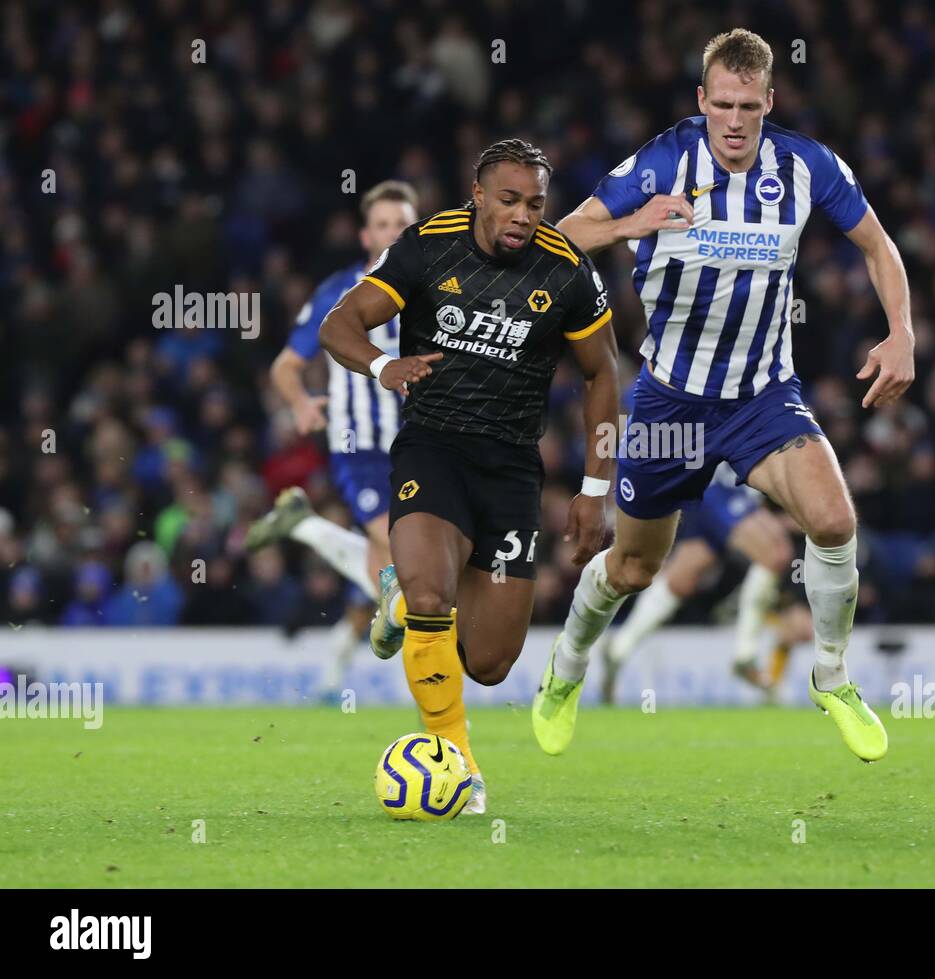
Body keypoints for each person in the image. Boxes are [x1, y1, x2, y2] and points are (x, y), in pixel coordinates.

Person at [532, 28, 915, 763]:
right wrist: (631, 224)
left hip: (759, 398)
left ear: (770, 101)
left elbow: (878, 244)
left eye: (750, 106)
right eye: (723, 105)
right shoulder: (663, 160)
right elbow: (563, 235)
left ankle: (832, 674)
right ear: (701, 101)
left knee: (834, 519)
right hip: (669, 402)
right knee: (633, 567)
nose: (735, 121)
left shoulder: (805, 167)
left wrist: (902, 332)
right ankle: (568, 667)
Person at [319, 139, 619, 815]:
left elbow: (603, 373)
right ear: (478, 195)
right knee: (431, 593)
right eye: (508, 200)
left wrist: (596, 487)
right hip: (434, 448)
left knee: (487, 661)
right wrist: (381, 366)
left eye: (536, 203)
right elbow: (341, 324)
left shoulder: (567, 270)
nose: (522, 216)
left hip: (512, 466)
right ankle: (459, 762)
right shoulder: (429, 244)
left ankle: (401, 608)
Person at [245, 181, 416, 694]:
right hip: (358, 444)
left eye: (402, 226)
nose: (392, 234)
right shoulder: (337, 293)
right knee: (396, 542)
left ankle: (306, 528)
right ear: (366, 234)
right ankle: (431, 696)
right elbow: (286, 366)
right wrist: (299, 403)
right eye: (383, 225)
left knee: (397, 570)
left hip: (420, 444)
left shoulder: (435, 288)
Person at [597, 462, 792, 702]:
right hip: (720, 487)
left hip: (707, 486)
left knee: (680, 582)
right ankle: (745, 654)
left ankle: (619, 648)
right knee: (776, 554)